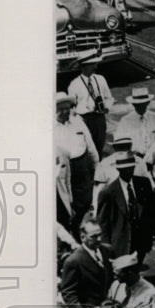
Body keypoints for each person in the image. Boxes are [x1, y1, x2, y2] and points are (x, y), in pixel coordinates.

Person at [96, 152, 155, 263]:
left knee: (135, 272)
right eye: (125, 169)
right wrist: (105, 248)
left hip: (141, 242)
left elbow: (152, 210)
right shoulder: (108, 193)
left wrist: (152, 233)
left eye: (131, 168)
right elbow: (103, 224)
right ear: (118, 170)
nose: (129, 172)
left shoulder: (144, 184)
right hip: (121, 244)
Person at [55, 92, 99, 233]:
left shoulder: (78, 122)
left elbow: (91, 148)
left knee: (84, 205)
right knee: (65, 207)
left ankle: (82, 235)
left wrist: (97, 169)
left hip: (81, 170)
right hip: (60, 172)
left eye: (67, 108)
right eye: (60, 109)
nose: (65, 111)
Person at [60, 216, 113, 308]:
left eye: (100, 234)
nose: (99, 239)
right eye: (94, 236)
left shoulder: (107, 250)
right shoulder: (73, 261)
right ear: (83, 237)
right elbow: (69, 294)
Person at [67, 54, 113, 157]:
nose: (95, 66)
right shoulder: (74, 84)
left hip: (99, 119)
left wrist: (106, 107)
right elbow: (71, 107)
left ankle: (99, 169)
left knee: (99, 146)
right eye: (92, 64)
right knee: (88, 148)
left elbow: (109, 97)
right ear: (84, 66)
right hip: (85, 120)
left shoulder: (100, 79)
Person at [114, 87, 155, 162]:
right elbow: (119, 143)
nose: (140, 107)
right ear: (133, 104)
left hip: (154, 159)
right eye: (137, 104)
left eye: (143, 104)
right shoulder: (125, 121)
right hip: (134, 159)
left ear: (148, 103)